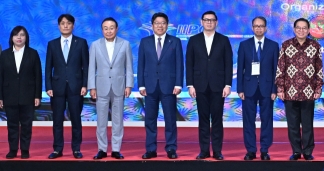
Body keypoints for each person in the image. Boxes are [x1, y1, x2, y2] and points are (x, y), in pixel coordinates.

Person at [186, 11, 232, 160]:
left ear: (216, 22)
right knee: (203, 119)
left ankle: (217, 151)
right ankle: (204, 150)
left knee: (217, 119)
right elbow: (189, 64)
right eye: (206, 20)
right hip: (200, 86)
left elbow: (228, 64)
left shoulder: (223, 40)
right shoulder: (193, 40)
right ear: (201, 22)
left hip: (219, 86)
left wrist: (227, 84)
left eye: (212, 20)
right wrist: (190, 85)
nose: (209, 22)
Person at [275, 18, 323, 161]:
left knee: (307, 124)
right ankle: (296, 151)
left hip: (308, 91)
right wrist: (280, 88)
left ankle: (308, 151)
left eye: (304, 28)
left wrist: (318, 87)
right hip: (290, 92)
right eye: (298, 28)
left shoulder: (315, 46)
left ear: (308, 30)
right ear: (294, 29)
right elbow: (280, 68)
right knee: (293, 124)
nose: (301, 30)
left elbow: (319, 69)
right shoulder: (286, 45)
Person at [138, 12, 183, 159]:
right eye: (157, 23)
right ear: (152, 25)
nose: (160, 26)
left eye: (163, 23)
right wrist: (141, 85)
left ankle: (171, 148)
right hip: (150, 86)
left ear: (167, 25)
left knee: (170, 119)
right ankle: (151, 149)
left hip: (169, 86)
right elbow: (141, 64)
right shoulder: (145, 42)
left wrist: (178, 84)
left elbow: (179, 65)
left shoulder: (175, 41)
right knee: (150, 119)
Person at [87, 17, 134, 160]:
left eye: (111, 27)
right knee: (101, 120)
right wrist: (92, 87)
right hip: (101, 87)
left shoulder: (125, 44)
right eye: (105, 28)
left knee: (118, 120)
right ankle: (101, 149)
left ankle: (115, 149)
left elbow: (129, 67)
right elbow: (91, 68)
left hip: (119, 86)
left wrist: (129, 85)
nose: (108, 31)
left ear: (116, 29)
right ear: (102, 30)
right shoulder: (95, 45)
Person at [45, 14, 89, 159]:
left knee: (76, 119)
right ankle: (57, 149)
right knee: (57, 119)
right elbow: (48, 67)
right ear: (58, 26)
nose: (65, 26)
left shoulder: (81, 43)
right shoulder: (52, 44)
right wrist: (48, 86)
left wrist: (85, 84)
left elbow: (86, 66)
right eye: (62, 23)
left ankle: (76, 149)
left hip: (76, 86)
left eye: (68, 23)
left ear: (73, 25)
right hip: (57, 87)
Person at [237, 16, 279, 160]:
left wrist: (275, 89)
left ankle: (265, 150)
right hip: (248, 88)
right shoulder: (244, 45)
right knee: (248, 120)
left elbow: (276, 70)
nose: (259, 28)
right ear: (252, 27)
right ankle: (250, 150)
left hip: (267, 88)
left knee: (267, 120)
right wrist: (240, 89)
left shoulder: (273, 45)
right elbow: (240, 68)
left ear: (266, 28)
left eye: (261, 26)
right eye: (256, 26)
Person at [0, 26, 42, 159]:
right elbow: (0, 76)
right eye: (16, 35)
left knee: (26, 124)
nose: (19, 37)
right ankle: (13, 150)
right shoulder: (4, 54)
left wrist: (37, 95)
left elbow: (38, 76)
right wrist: (0, 97)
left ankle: (25, 150)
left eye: (22, 35)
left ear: (26, 38)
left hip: (28, 95)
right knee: (11, 124)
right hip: (9, 95)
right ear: (11, 38)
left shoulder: (33, 53)